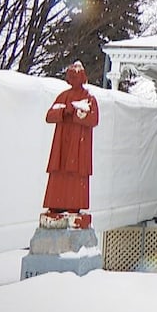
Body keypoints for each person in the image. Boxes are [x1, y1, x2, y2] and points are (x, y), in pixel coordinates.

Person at [43, 62, 99, 215]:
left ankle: (74, 203)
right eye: (72, 76)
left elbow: (93, 119)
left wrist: (76, 114)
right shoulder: (63, 96)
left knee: (76, 173)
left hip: (79, 144)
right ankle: (56, 202)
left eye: (77, 76)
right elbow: (49, 116)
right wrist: (63, 112)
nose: (74, 79)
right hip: (62, 144)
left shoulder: (89, 99)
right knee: (59, 171)